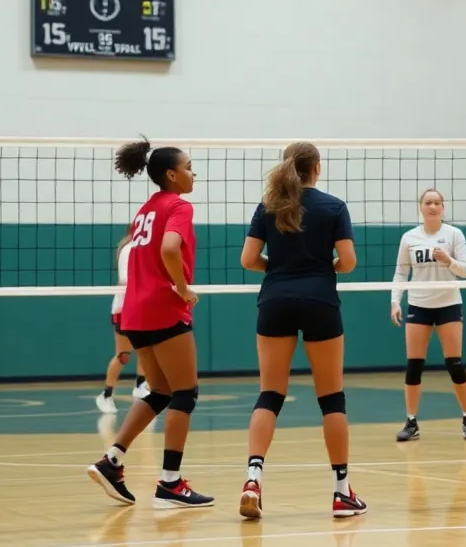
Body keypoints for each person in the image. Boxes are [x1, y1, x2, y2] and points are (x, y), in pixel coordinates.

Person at [238, 142, 367, 520]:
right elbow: (348, 262)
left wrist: (279, 270)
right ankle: (342, 493)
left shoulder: (268, 206)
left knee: (270, 394)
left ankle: (252, 479)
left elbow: (248, 260)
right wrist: (323, 269)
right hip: (320, 300)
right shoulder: (334, 207)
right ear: (318, 169)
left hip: (275, 299)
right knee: (331, 398)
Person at [85, 141, 213, 509]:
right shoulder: (178, 206)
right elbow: (170, 249)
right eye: (189, 166)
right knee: (185, 393)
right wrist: (184, 288)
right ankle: (170, 484)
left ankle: (111, 461)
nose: (194, 172)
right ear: (172, 174)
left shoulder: (144, 211)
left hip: (134, 314)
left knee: (158, 391)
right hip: (163, 309)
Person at [390, 189, 466, 442]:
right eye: (428, 202)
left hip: (448, 303)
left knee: (455, 364)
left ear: (443, 207)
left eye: (437, 202)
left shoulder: (454, 234)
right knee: (414, 366)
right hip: (418, 304)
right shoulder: (409, 237)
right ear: (421, 207)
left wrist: (448, 260)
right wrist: (395, 301)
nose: (432, 206)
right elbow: (400, 273)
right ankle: (411, 422)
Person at [95, 234, 150, 414]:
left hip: (142, 307)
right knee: (123, 355)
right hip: (124, 307)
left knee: (145, 349)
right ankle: (106, 395)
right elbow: (126, 281)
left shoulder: (150, 248)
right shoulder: (130, 249)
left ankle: (140, 386)